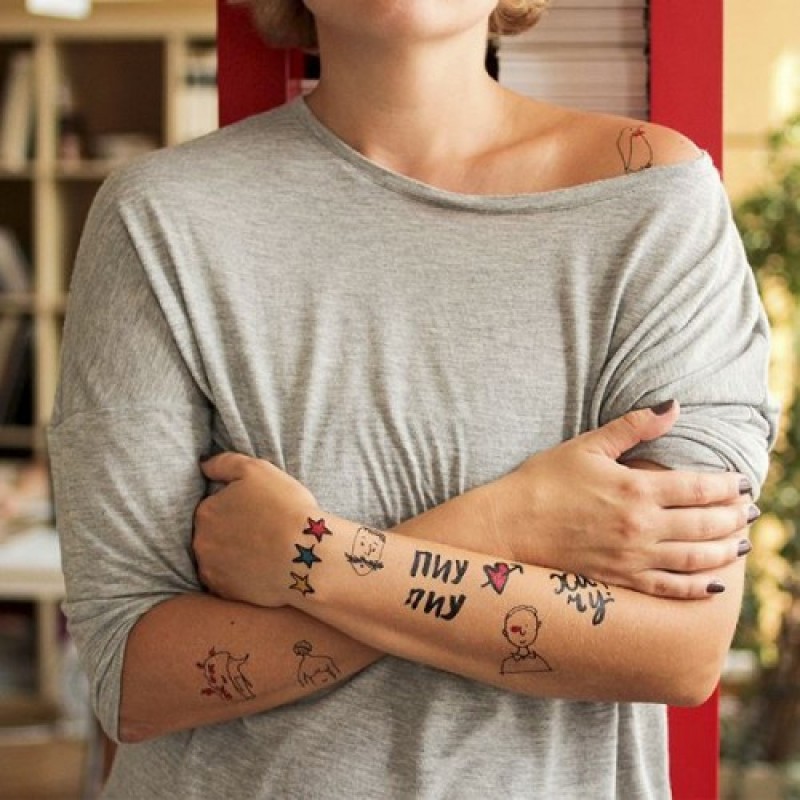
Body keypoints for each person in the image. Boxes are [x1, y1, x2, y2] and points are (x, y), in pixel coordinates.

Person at [48, 0, 777, 797]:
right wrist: (512, 521)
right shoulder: (159, 216)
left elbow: (678, 650)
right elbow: (134, 679)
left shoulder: (651, 201)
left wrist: (312, 558)